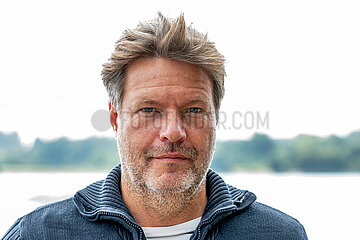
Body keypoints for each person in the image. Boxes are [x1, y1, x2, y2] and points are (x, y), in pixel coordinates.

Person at [2, 13, 308, 240]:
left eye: (193, 110)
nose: (173, 132)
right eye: (149, 110)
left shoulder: (279, 234)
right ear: (115, 119)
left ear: (215, 118)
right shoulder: (39, 234)